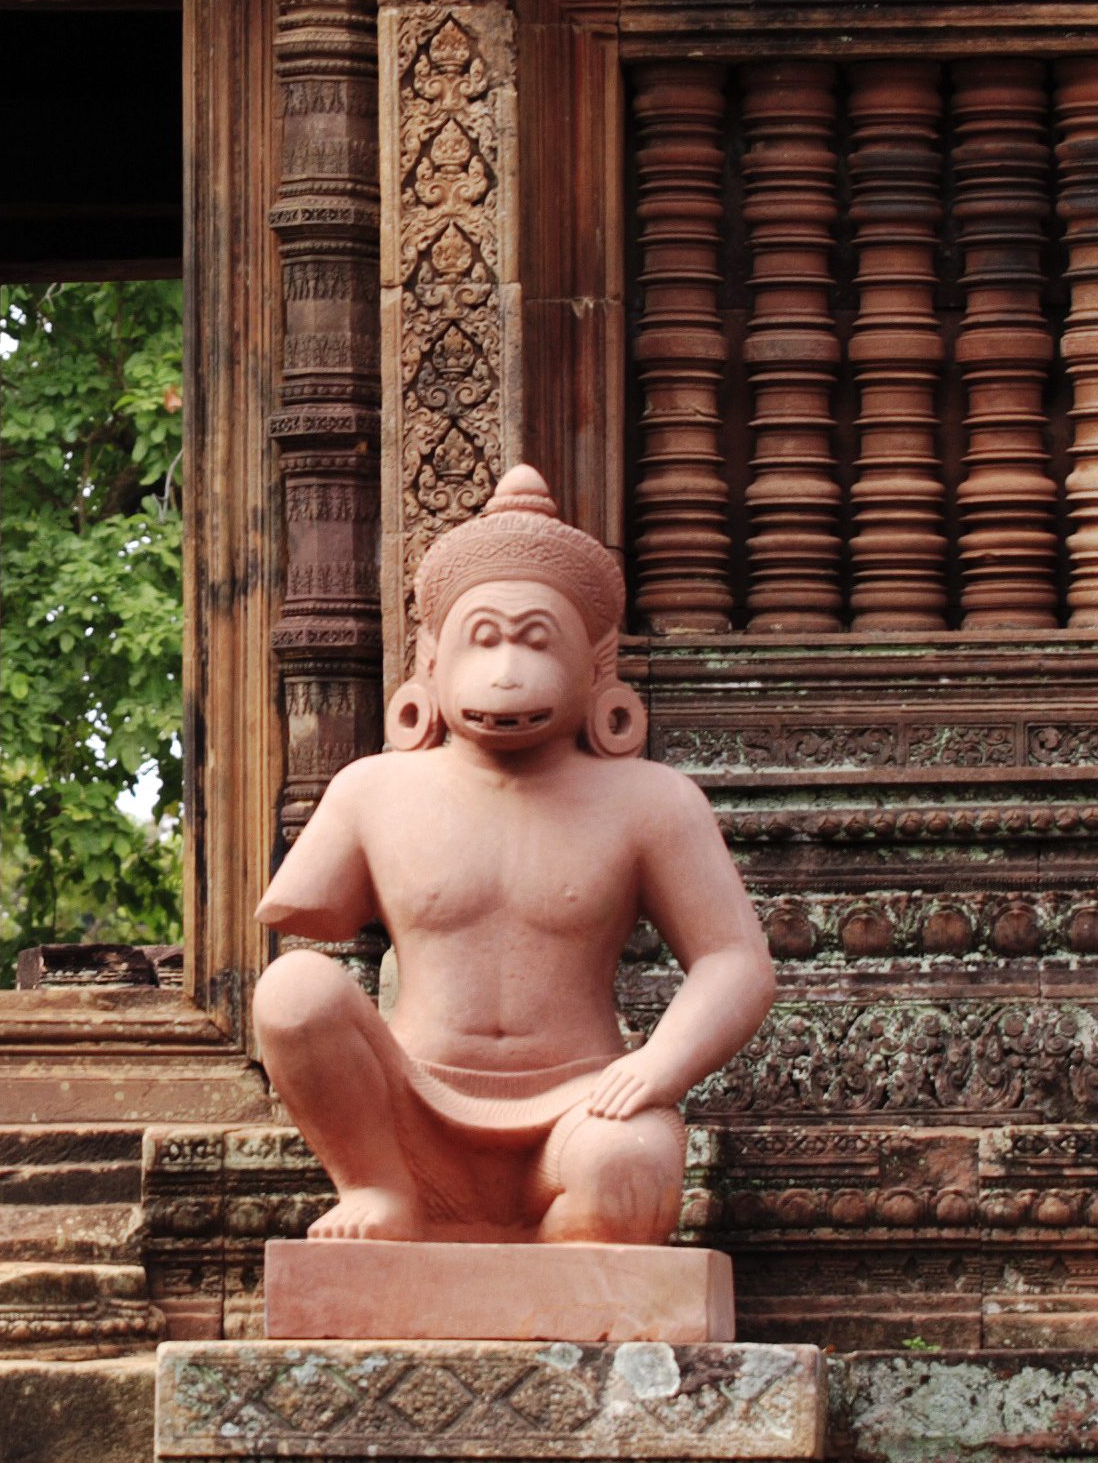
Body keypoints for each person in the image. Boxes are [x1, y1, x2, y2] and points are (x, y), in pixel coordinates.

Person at [253, 465, 773, 1246]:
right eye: (482, 639)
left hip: (579, 1107)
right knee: (292, 988)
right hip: (410, 1111)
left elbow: (737, 961)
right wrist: (382, 1166)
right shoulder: (375, 788)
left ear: (594, 667)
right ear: (431, 661)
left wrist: (658, 1066)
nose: (505, 671)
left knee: (628, 1173)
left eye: (536, 640)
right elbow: (305, 923)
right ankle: (380, 1192)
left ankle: (557, 1272)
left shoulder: (649, 800)